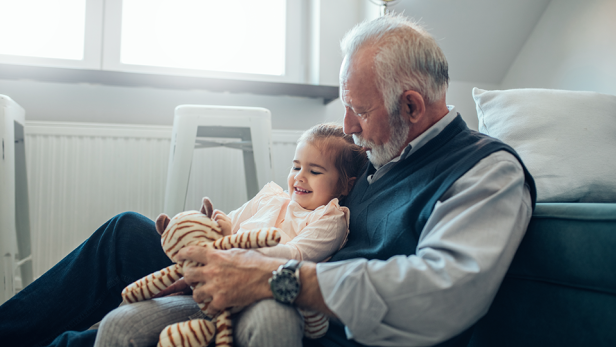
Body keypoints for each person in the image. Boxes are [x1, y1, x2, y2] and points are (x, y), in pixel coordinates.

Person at [0, 13, 536, 347]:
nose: (348, 129)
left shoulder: (485, 173)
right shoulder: (382, 150)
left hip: (312, 318)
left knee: (107, 331)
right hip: (279, 278)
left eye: (358, 111)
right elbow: (292, 211)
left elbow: (440, 290)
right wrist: (226, 241)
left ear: (413, 106)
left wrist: (270, 278)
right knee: (127, 235)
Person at [92, 123, 367, 347]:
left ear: (345, 185)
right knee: (118, 323)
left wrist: (231, 250)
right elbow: (226, 225)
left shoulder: (331, 219)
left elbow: (295, 255)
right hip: (209, 289)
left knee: (275, 323)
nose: (299, 177)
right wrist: (203, 228)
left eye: (314, 171)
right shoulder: (271, 198)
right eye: (296, 167)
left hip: (261, 299)